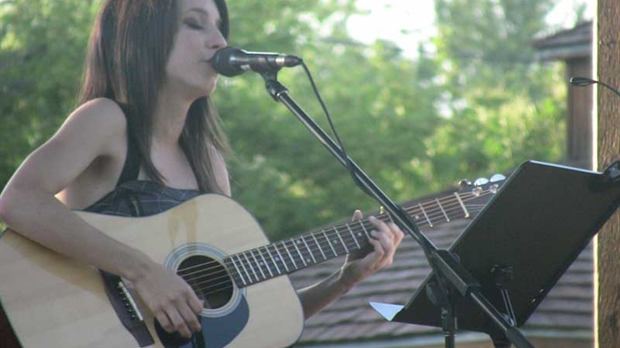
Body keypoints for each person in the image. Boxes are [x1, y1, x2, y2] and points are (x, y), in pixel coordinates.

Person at [0, 0, 404, 341]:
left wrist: (344, 280)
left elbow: (249, 325)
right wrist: (143, 272)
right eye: (195, 24)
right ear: (142, 37)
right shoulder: (106, 120)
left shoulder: (209, 164)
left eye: (219, 27)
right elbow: (19, 200)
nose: (220, 41)